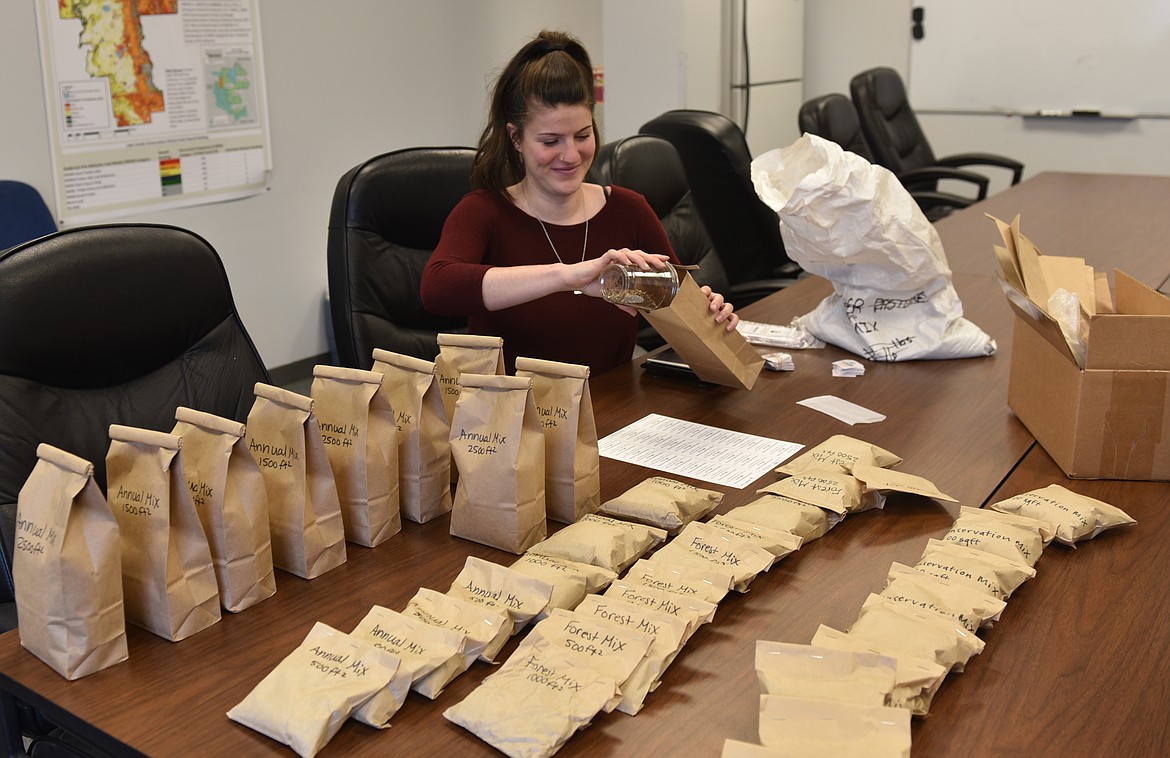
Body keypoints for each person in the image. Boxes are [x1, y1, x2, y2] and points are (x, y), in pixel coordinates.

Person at [420, 29, 737, 374]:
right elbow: (438, 288)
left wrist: (707, 314)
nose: (570, 155)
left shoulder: (629, 210)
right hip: (511, 419)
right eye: (551, 140)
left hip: (612, 415)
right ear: (516, 138)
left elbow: (674, 307)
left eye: (582, 135)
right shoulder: (483, 211)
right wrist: (569, 276)